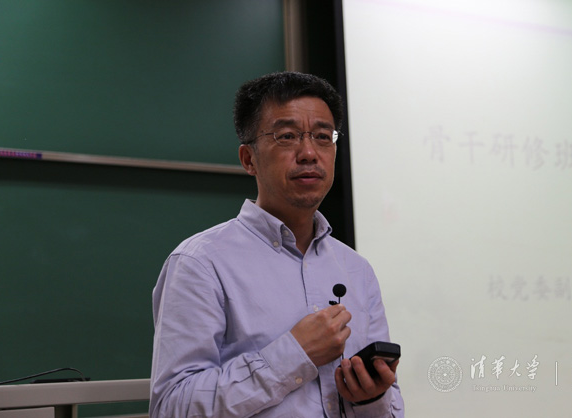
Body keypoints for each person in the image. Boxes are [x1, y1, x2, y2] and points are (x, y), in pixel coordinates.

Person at [150, 72, 404, 417]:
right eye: (287, 136)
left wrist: (370, 400)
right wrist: (295, 354)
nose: (309, 153)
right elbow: (172, 407)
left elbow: (392, 408)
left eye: (323, 137)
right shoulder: (200, 263)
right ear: (249, 159)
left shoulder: (356, 269)